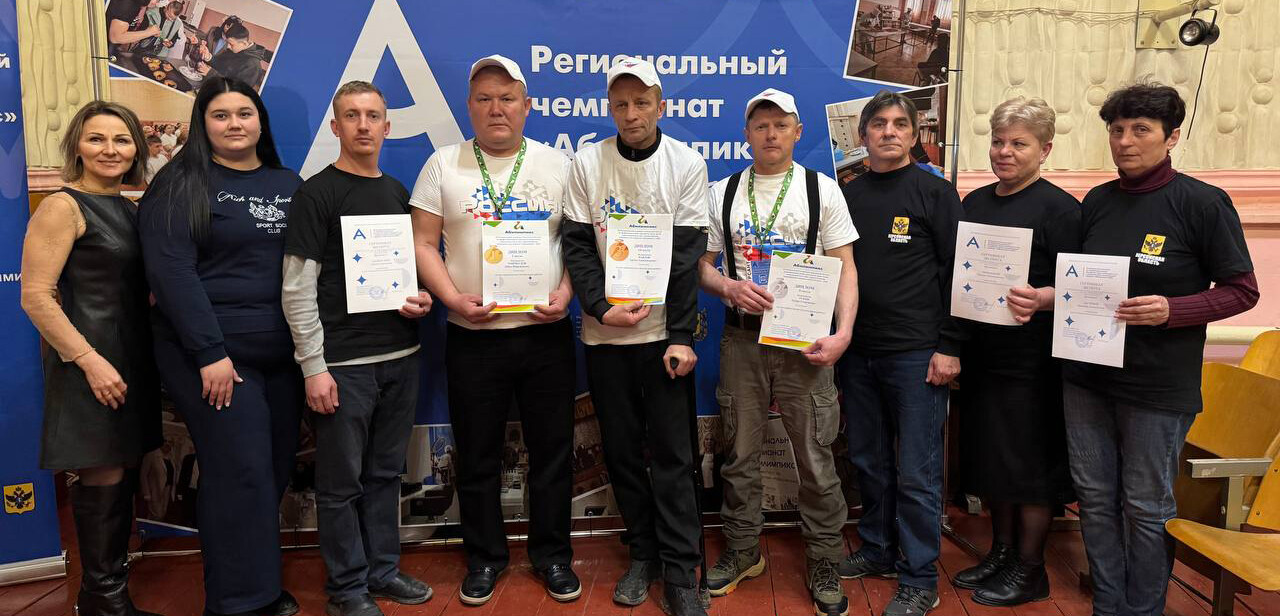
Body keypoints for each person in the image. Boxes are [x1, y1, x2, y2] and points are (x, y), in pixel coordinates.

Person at [1064, 83, 1258, 616]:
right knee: (1094, 500)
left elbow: (1242, 291)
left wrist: (1174, 310)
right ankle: (1109, 606)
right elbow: (1084, 282)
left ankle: (1144, 609)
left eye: (1141, 130)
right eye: (1117, 130)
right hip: (1087, 378)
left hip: (1157, 388)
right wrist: (1048, 297)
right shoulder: (1098, 201)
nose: (1125, 141)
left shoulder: (1202, 203)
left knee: (1146, 507)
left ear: (1171, 137)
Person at [409, 54, 579, 606]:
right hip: (472, 336)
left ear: (527, 106)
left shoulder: (559, 165)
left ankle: (553, 557)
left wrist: (566, 294)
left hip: (545, 335)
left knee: (552, 452)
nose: (496, 108)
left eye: (507, 98)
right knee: (478, 454)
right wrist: (452, 298)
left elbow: (581, 242)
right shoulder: (443, 164)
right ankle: (484, 557)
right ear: (469, 107)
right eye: (484, 99)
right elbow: (422, 243)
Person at [138, 76, 303, 616]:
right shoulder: (180, 183)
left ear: (260, 122)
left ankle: (258, 585)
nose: (235, 123)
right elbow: (171, 273)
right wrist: (209, 352)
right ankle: (237, 602)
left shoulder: (288, 183)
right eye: (221, 115)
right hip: (212, 358)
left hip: (283, 356)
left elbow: (315, 266)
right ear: (202, 124)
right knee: (240, 469)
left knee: (272, 469)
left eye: (244, 113)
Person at [698, 89, 859, 616]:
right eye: (761, 125)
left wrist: (844, 332)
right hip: (742, 339)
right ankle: (744, 551)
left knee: (815, 456)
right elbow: (701, 266)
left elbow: (846, 267)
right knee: (739, 455)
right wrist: (727, 286)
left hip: (805, 342)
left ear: (797, 132)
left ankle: (824, 559)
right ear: (746, 134)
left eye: (781, 124)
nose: (771, 134)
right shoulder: (722, 192)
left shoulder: (822, 190)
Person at [561, 57, 708, 616]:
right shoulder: (587, 162)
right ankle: (643, 553)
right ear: (609, 108)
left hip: (664, 338)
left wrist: (681, 335)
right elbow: (578, 245)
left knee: (672, 455)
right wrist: (600, 308)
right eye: (620, 104)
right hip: (606, 337)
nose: (631, 114)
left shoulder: (685, 164)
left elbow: (688, 255)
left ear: (660, 106)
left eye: (642, 102)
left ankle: (681, 569)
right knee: (621, 454)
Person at [282, 80, 434, 616]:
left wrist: (418, 299)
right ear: (336, 126)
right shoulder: (316, 194)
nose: (363, 125)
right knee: (340, 485)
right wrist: (313, 367)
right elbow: (297, 288)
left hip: (401, 356)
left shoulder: (395, 191)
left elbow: (401, 276)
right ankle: (346, 589)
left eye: (372, 115)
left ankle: (382, 572)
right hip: (343, 366)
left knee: (386, 476)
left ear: (388, 126)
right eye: (352, 115)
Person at [20, 100, 160, 616]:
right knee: (101, 476)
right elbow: (36, 297)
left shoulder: (131, 209)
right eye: (96, 138)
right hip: (89, 363)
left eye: (121, 140)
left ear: (136, 150)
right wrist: (88, 359)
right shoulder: (63, 206)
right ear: (77, 146)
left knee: (120, 474)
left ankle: (103, 597)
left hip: (130, 360)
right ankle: (104, 600)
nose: (110, 149)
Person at [836, 90, 963, 616]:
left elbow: (960, 276)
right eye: (879, 124)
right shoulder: (847, 196)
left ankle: (919, 577)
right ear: (862, 135)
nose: (889, 132)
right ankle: (878, 549)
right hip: (857, 352)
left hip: (918, 355)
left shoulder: (937, 194)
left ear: (914, 134)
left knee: (917, 470)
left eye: (899, 124)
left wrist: (950, 347)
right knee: (868, 460)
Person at [950, 97, 1080, 606]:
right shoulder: (976, 203)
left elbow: (1084, 289)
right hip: (984, 357)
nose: (1004, 152)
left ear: (1044, 149)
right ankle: (1001, 554)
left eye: (1018, 144)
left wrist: (1044, 298)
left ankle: (1030, 568)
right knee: (993, 461)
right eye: (998, 141)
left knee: (1029, 468)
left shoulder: (1061, 210)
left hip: (1035, 363)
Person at [198, 23, 273, 90]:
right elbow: (221, 65)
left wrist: (210, 73)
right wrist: (209, 57)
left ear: (244, 43)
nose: (228, 46)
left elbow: (237, 90)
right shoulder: (235, 50)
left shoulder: (253, 65)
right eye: (227, 43)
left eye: (231, 44)